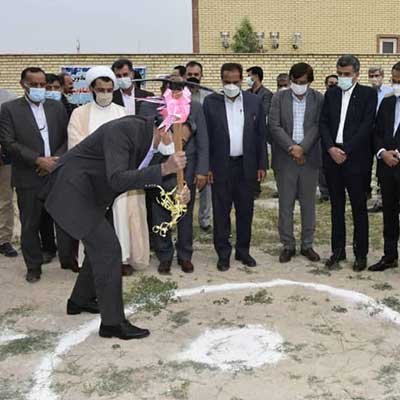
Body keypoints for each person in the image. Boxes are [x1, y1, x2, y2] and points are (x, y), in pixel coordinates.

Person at [44, 114, 190, 339]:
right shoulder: (124, 131)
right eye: (177, 138)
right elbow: (118, 179)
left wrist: (178, 194)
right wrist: (164, 169)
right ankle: (112, 324)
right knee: (108, 250)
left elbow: (152, 180)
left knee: (99, 248)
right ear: (164, 129)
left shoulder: (151, 147)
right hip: (72, 190)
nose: (178, 147)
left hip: (92, 194)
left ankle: (79, 301)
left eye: (184, 142)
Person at [0, 67, 72, 282]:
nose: (40, 88)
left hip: (56, 172)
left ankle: (67, 258)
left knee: (63, 218)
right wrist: (38, 160)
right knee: (30, 224)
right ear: (23, 84)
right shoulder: (9, 109)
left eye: (43, 85)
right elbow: (8, 142)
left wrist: (55, 160)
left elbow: (67, 137)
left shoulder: (56, 107)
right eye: (34, 85)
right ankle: (33, 266)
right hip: (28, 175)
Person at [68, 66, 141, 276]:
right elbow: (76, 145)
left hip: (118, 175)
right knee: (93, 220)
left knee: (120, 217)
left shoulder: (122, 112)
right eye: (101, 90)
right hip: (91, 176)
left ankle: (122, 258)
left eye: (109, 90)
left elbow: (131, 144)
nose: (106, 94)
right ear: (92, 89)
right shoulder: (79, 114)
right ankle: (91, 260)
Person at [140, 75, 209, 274]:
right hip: (160, 168)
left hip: (187, 168)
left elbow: (203, 140)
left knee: (184, 212)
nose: (176, 91)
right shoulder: (151, 106)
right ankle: (164, 255)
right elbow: (146, 138)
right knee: (159, 211)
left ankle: (185, 255)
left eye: (180, 87)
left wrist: (202, 170)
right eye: (172, 87)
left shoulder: (195, 107)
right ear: (165, 88)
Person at [203, 63, 267, 271]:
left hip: (246, 165)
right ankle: (223, 253)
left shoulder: (254, 101)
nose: (231, 85)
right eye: (227, 81)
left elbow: (261, 135)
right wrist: (207, 167)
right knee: (221, 212)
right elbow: (206, 138)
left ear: (242, 81)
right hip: (220, 166)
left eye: (235, 81)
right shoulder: (210, 102)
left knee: (245, 210)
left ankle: (243, 250)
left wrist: (262, 164)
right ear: (221, 80)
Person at [320, 55, 377, 271]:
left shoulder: (368, 94)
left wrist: (346, 150)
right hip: (333, 157)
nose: (342, 78)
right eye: (339, 73)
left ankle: (360, 254)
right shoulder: (331, 94)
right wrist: (330, 148)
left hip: (356, 159)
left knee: (358, 208)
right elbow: (323, 123)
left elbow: (366, 126)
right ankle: (338, 251)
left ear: (356, 74)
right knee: (336, 207)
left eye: (347, 74)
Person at [269, 63, 323, 263]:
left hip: (309, 158)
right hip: (285, 158)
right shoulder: (279, 98)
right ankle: (288, 245)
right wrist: (292, 148)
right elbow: (274, 125)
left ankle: (307, 245)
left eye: (302, 82)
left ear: (310, 82)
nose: (298, 85)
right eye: (295, 81)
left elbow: (318, 125)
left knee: (308, 205)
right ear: (290, 80)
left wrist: (303, 148)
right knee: (286, 204)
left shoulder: (318, 98)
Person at [369, 62, 400, 272]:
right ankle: (390, 256)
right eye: (394, 80)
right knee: (389, 214)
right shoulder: (387, 103)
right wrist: (382, 152)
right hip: (387, 168)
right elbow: (376, 132)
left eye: (399, 80)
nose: (395, 84)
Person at [186, 60, 212, 233]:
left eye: (196, 74)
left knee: (206, 187)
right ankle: (182, 220)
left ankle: (205, 220)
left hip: (205, 147)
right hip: (186, 150)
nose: (193, 77)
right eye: (190, 74)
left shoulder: (208, 97)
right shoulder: (179, 96)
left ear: (201, 75)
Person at [367, 67, 393, 213]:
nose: (374, 78)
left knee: (383, 167)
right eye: (371, 76)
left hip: (384, 135)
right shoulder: (367, 92)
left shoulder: (390, 92)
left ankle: (384, 200)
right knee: (369, 167)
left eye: (376, 75)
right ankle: (371, 196)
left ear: (382, 76)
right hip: (369, 134)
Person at [246, 66, 273, 199]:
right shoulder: (247, 92)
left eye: (249, 76)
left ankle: (255, 188)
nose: (248, 79)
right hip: (246, 131)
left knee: (257, 158)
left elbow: (264, 111)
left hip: (259, 130)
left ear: (256, 76)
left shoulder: (266, 94)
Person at [0, 88, 18, 258]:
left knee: (5, 199)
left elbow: (14, 130)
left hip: (4, 157)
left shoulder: (9, 98)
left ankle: (4, 240)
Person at [318, 75, 339, 202]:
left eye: (336, 83)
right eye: (331, 83)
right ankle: (324, 192)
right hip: (322, 137)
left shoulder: (340, 99)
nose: (333, 86)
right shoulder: (321, 99)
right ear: (326, 85)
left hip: (337, 138)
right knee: (322, 166)